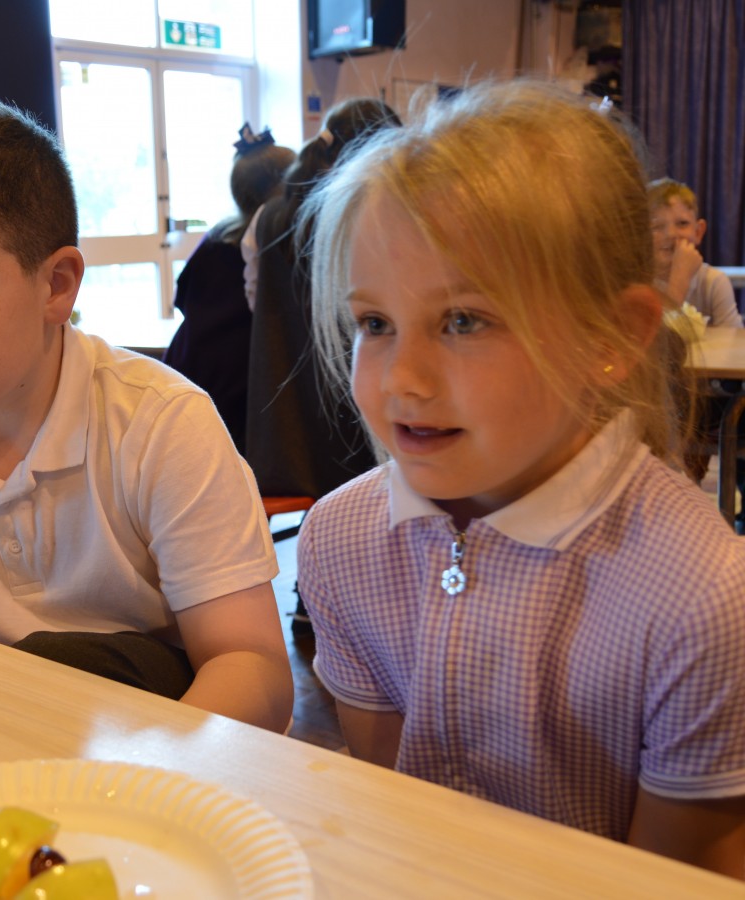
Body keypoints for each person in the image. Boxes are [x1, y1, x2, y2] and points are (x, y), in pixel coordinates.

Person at [297, 80, 745, 877]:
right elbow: (388, 816)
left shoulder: (701, 597)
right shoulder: (342, 539)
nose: (402, 379)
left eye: (463, 320)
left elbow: (679, 880)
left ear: (612, 338)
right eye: (375, 323)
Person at [0, 99, 293, 733]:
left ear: (56, 285)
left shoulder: (161, 424)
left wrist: (142, 778)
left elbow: (253, 668)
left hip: (164, 739)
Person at [242, 98, 400, 500]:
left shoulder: (267, 216)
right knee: (361, 497)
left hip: (283, 395)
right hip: (349, 391)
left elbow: (254, 296)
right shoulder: (368, 212)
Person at [161, 125, 295, 453]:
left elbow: (181, 296)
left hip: (189, 366)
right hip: (236, 387)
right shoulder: (273, 247)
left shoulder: (218, 236)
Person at [647, 177, 742, 328]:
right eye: (657, 226)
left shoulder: (713, 282)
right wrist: (679, 280)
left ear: (698, 232)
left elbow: (734, 338)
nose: (671, 234)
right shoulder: (638, 283)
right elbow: (657, 338)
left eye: (682, 224)